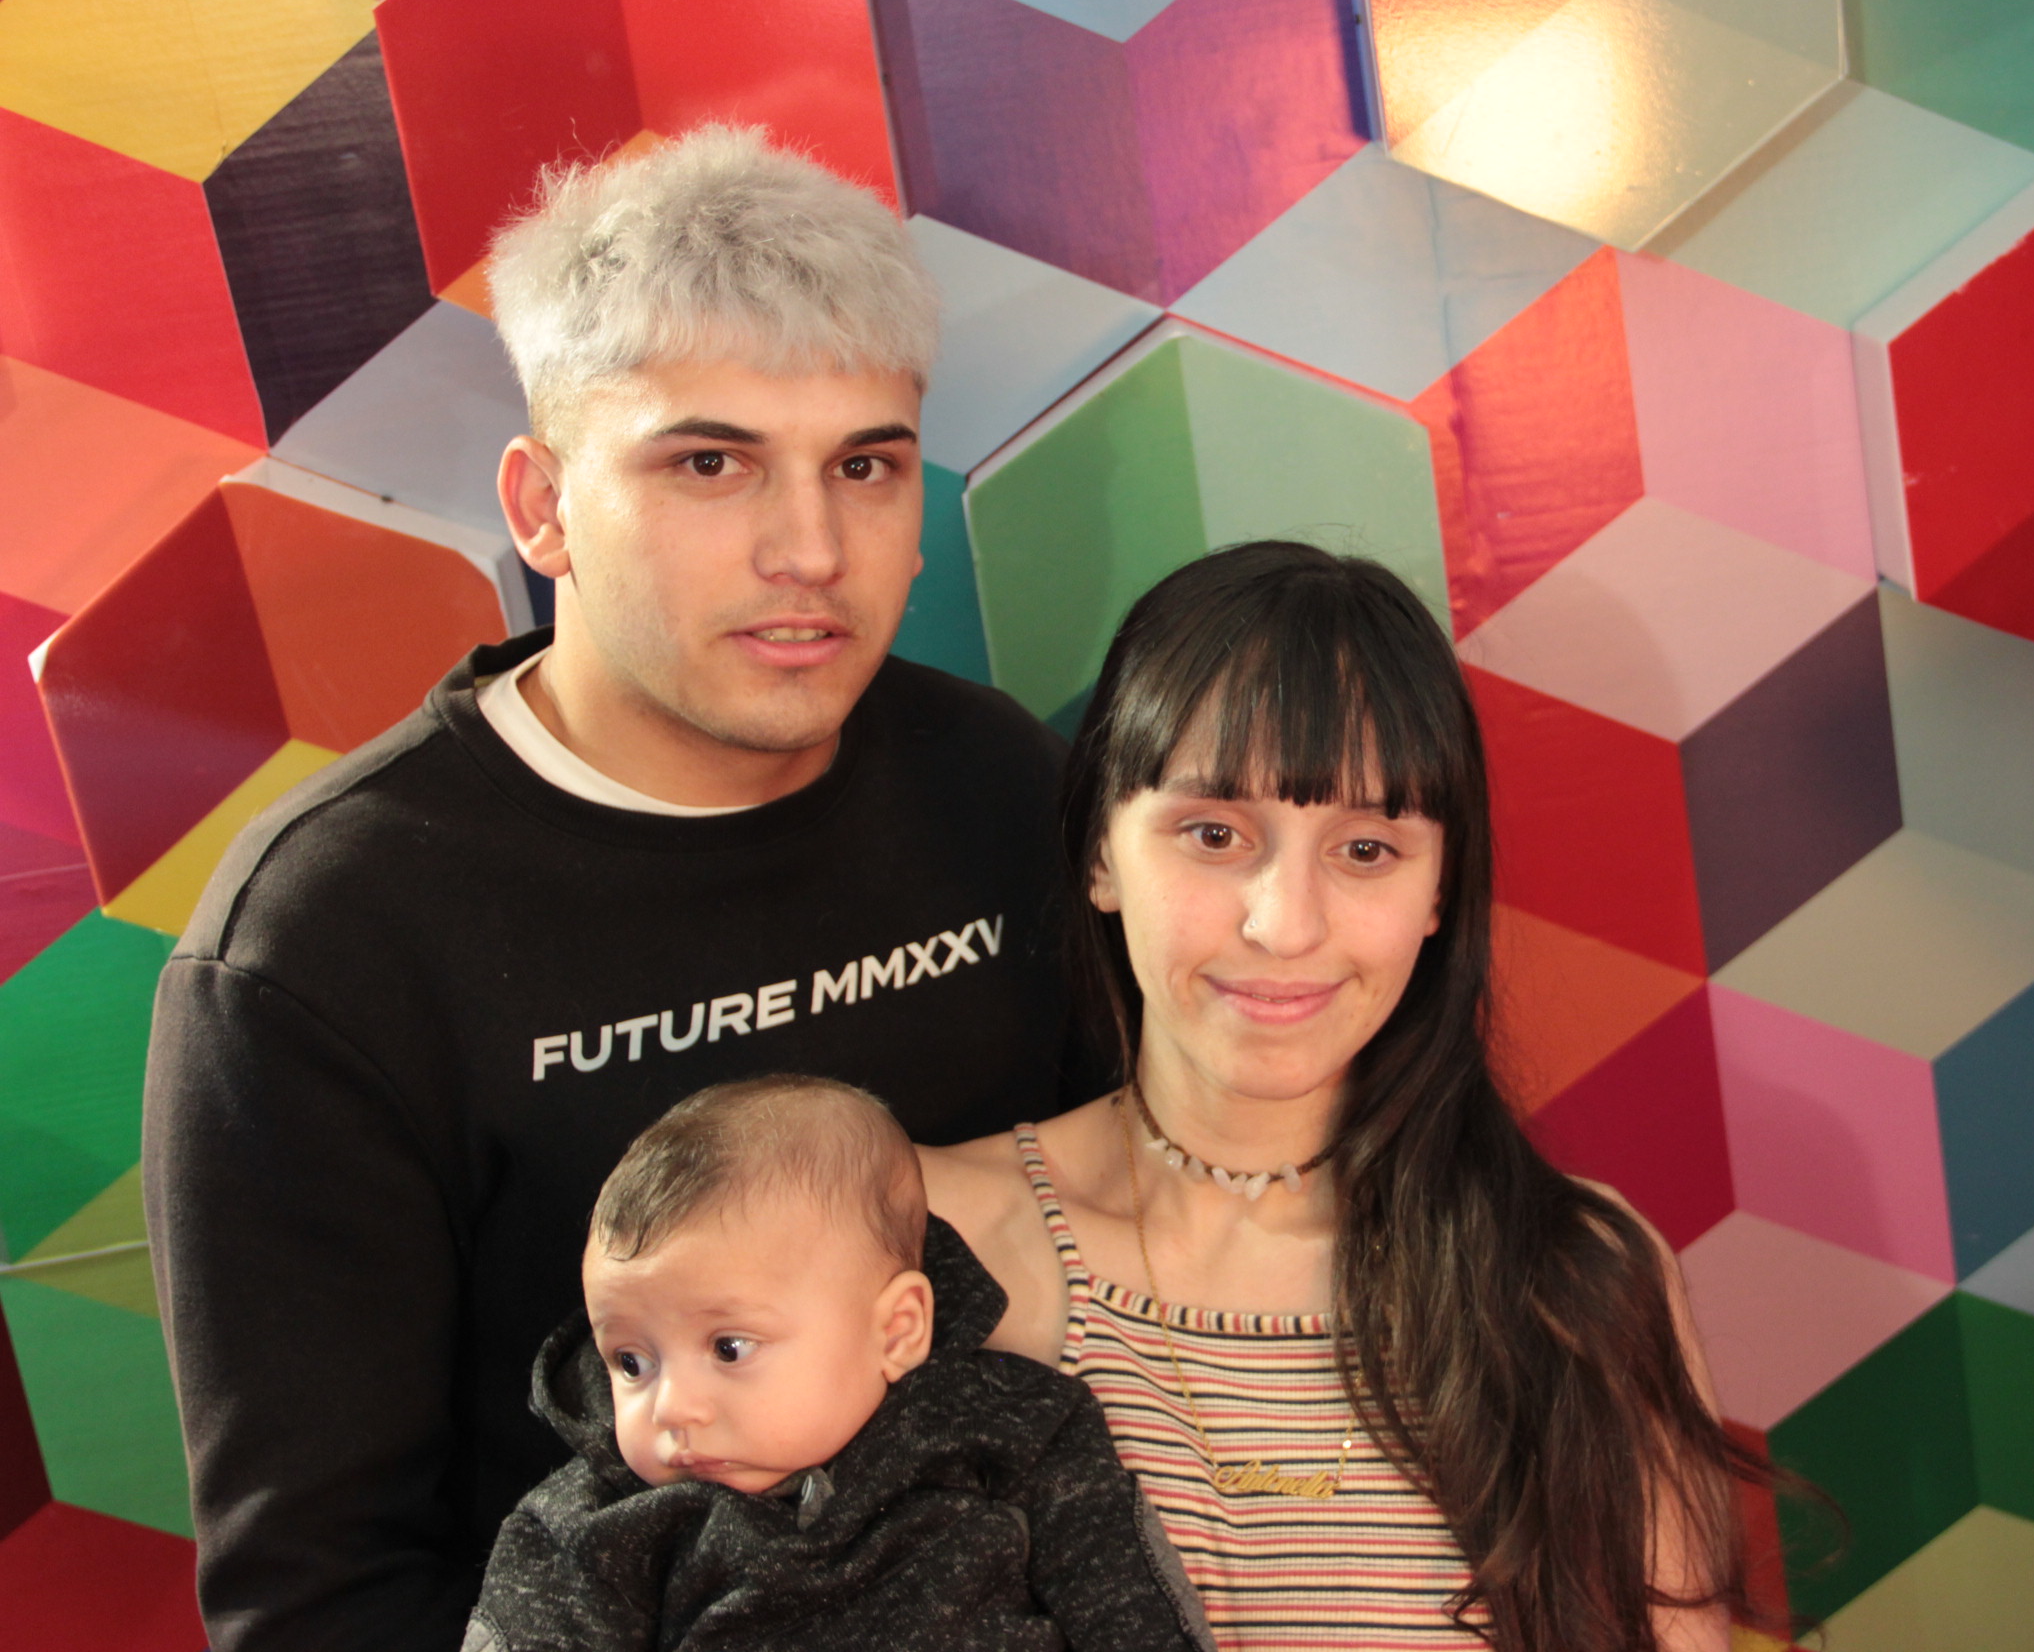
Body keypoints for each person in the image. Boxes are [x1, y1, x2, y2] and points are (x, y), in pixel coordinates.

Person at [142, 127, 1080, 1652]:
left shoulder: (996, 785)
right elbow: (320, 1596)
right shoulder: (326, 943)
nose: (810, 549)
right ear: (543, 507)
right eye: (709, 464)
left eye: (865, 466)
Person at [923, 542, 1790, 1652]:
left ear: (1439, 892)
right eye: (1214, 835)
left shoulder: (1577, 1275)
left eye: (1368, 849)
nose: (1286, 925)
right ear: (1101, 854)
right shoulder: (925, 1237)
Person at [467, 1076, 1212, 1652]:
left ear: (896, 1330)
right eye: (631, 1362)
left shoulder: (1010, 1422)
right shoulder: (592, 1524)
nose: (671, 1407)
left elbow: (1126, 1605)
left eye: (729, 1349)